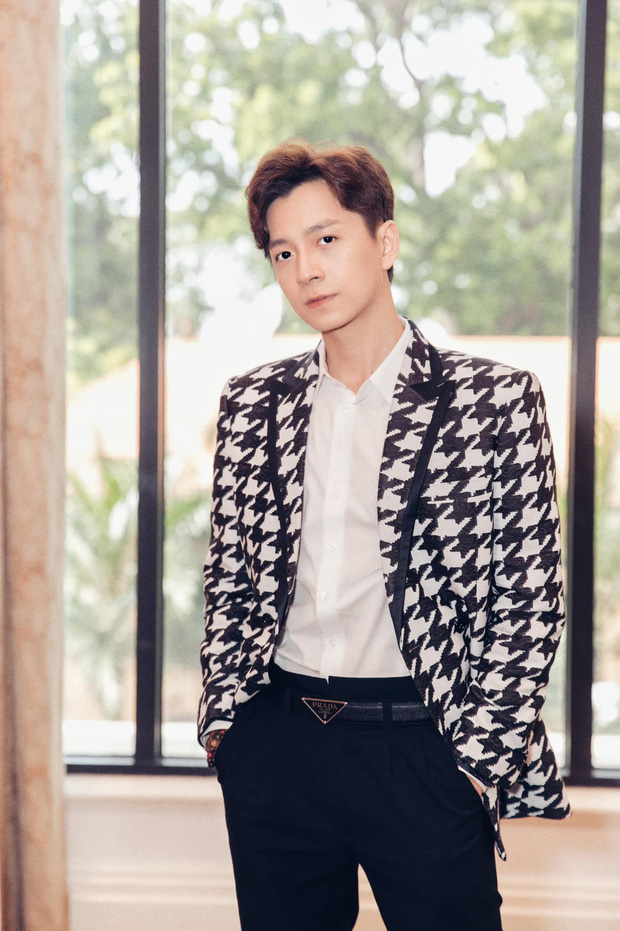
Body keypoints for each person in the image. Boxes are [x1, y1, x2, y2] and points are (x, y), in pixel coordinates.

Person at [197, 139, 570, 931]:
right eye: (283, 252)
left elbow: (531, 601)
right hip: (279, 745)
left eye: (327, 239)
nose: (306, 269)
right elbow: (230, 579)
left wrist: (474, 765)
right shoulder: (253, 405)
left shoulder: (492, 401)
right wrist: (229, 728)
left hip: (425, 746)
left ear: (385, 241)